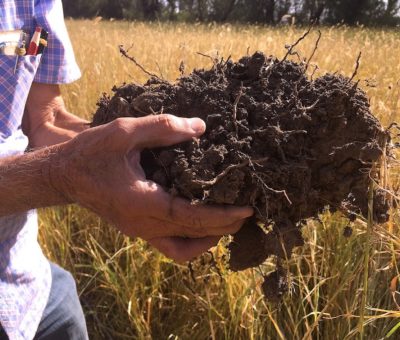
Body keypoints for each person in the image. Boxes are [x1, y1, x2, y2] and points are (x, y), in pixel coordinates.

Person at [0, 1, 253, 339]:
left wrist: (151, 158)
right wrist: (63, 175)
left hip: (30, 287)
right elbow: (62, 164)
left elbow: (42, 120)